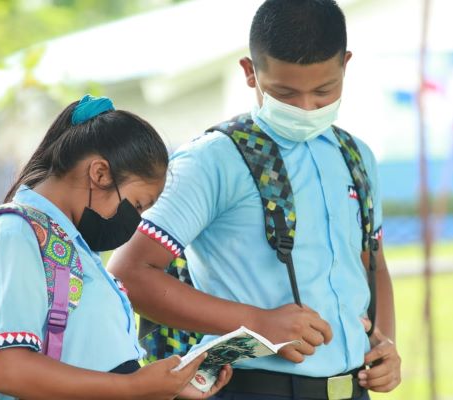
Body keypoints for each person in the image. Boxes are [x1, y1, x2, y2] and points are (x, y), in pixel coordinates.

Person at [108, 1, 401, 399]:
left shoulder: (357, 156)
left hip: (351, 389)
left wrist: (386, 343)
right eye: (284, 93)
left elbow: (371, 259)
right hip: (251, 387)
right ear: (250, 72)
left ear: (345, 65)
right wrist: (256, 322)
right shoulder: (212, 160)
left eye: (323, 90)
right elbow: (130, 271)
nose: (306, 107)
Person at [0, 95, 232, 400]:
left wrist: (162, 387)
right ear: (100, 173)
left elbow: (89, 363)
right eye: (138, 205)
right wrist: (134, 386)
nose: (136, 221)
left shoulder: (75, 249)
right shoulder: (12, 235)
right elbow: (4, 368)